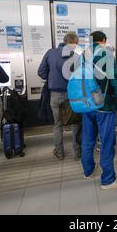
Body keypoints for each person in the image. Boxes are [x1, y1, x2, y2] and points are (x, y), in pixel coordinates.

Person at [81, 31, 117, 189]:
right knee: (107, 141)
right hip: (104, 105)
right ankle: (108, 179)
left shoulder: (83, 54)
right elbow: (114, 80)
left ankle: (87, 170)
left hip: (87, 104)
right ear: (104, 40)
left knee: (88, 139)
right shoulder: (106, 54)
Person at [38, 32, 81, 160]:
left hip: (55, 94)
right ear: (73, 43)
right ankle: (77, 153)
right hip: (72, 95)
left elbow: (41, 72)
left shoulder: (50, 53)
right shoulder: (77, 57)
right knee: (76, 124)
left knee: (57, 125)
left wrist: (52, 78)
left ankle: (59, 152)